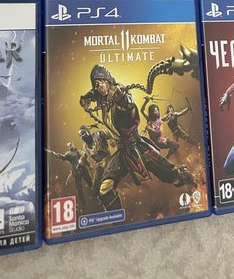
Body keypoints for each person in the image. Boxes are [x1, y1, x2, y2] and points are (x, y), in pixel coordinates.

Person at [79, 63, 196, 211]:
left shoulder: (121, 94)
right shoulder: (103, 98)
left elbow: (132, 116)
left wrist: (122, 101)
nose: (97, 88)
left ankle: (191, 181)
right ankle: (117, 218)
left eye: (98, 84)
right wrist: (86, 98)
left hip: (137, 148)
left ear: (106, 81)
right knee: (104, 189)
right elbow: (95, 93)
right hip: (122, 151)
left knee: (173, 176)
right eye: (95, 85)